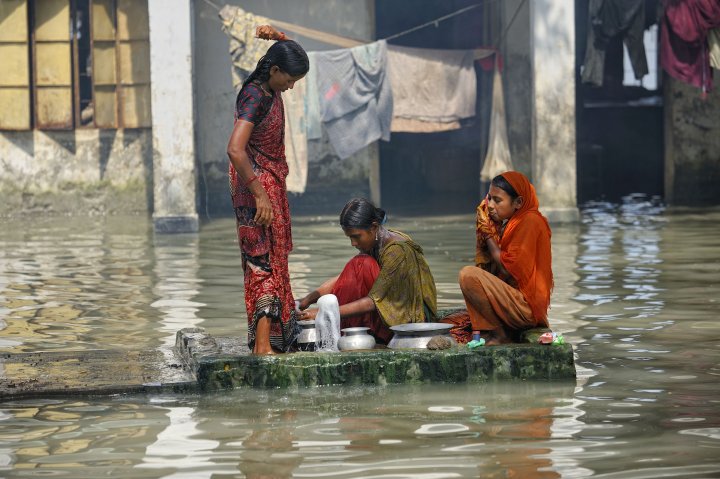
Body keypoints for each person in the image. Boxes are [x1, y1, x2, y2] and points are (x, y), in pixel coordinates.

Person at [226, 26, 309, 355]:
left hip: (268, 180)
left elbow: (288, 51)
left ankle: (273, 338)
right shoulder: (255, 95)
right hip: (253, 185)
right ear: (273, 71)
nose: (290, 87)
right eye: (289, 80)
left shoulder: (272, 75)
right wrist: (260, 193)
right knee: (263, 261)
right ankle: (263, 346)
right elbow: (235, 149)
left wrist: (280, 36)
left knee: (275, 257)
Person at [297, 198, 437, 344]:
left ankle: (343, 332)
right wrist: (305, 301)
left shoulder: (396, 250)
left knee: (361, 263)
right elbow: (343, 279)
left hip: (409, 322)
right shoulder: (376, 242)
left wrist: (324, 313)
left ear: (374, 227)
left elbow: (374, 301)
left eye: (356, 236)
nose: (353, 243)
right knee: (356, 265)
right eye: (349, 237)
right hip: (388, 313)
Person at [456, 171, 553, 345]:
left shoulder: (530, 221)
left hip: (526, 308)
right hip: (516, 301)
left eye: (497, 200)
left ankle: (501, 335)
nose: (490, 205)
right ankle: (496, 330)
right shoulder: (512, 222)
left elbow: (507, 269)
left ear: (518, 202)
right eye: (489, 198)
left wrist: (488, 235)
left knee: (468, 275)